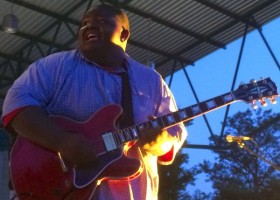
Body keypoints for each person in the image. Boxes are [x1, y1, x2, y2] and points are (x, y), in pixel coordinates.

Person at [2, 3, 187, 200]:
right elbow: (16, 103)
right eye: (85, 23)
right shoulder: (54, 66)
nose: (89, 27)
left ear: (124, 34)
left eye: (100, 22)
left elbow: (174, 134)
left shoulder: (152, 81)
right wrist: (61, 141)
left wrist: (160, 143)